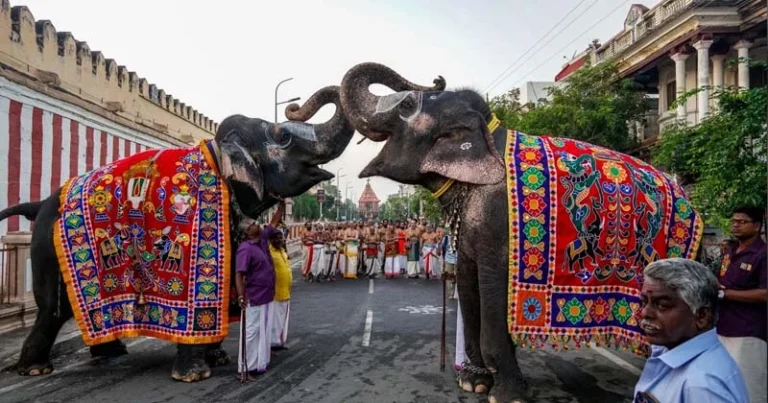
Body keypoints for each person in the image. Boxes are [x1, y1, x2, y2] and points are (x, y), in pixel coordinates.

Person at [634, 258, 748, 403]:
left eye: (662, 305)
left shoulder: (703, 386)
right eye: (644, 302)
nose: (645, 313)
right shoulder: (669, 349)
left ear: (701, 316)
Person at [716, 205, 767, 403]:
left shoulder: (762, 254)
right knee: (723, 386)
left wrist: (724, 294)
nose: (735, 225)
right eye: (734, 221)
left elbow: (765, 294)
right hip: (723, 328)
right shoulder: (729, 250)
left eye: (742, 222)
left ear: (756, 226)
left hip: (748, 333)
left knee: (749, 388)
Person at [236, 218, 276, 380]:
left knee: (263, 330)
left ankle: (258, 363)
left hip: (267, 295)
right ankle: (244, 368)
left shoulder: (262, 241)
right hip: (254, 295)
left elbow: (272, 225)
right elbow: (239, 273)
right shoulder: (245, 249)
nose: (257, 225)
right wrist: (240, 296)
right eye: (253, 225)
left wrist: (281, 206)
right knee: (251, 332)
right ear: (246, 232)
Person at [268, 229, 291, 351]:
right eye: (277, 238)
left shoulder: (283, 251)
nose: (280, 240)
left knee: (282, 319)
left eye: (281, 238)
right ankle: (272, 343)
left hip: (286, 291)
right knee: (274, 319)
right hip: (275, 292)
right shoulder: (269, 253)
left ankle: (279, 341)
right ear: (271, 240)